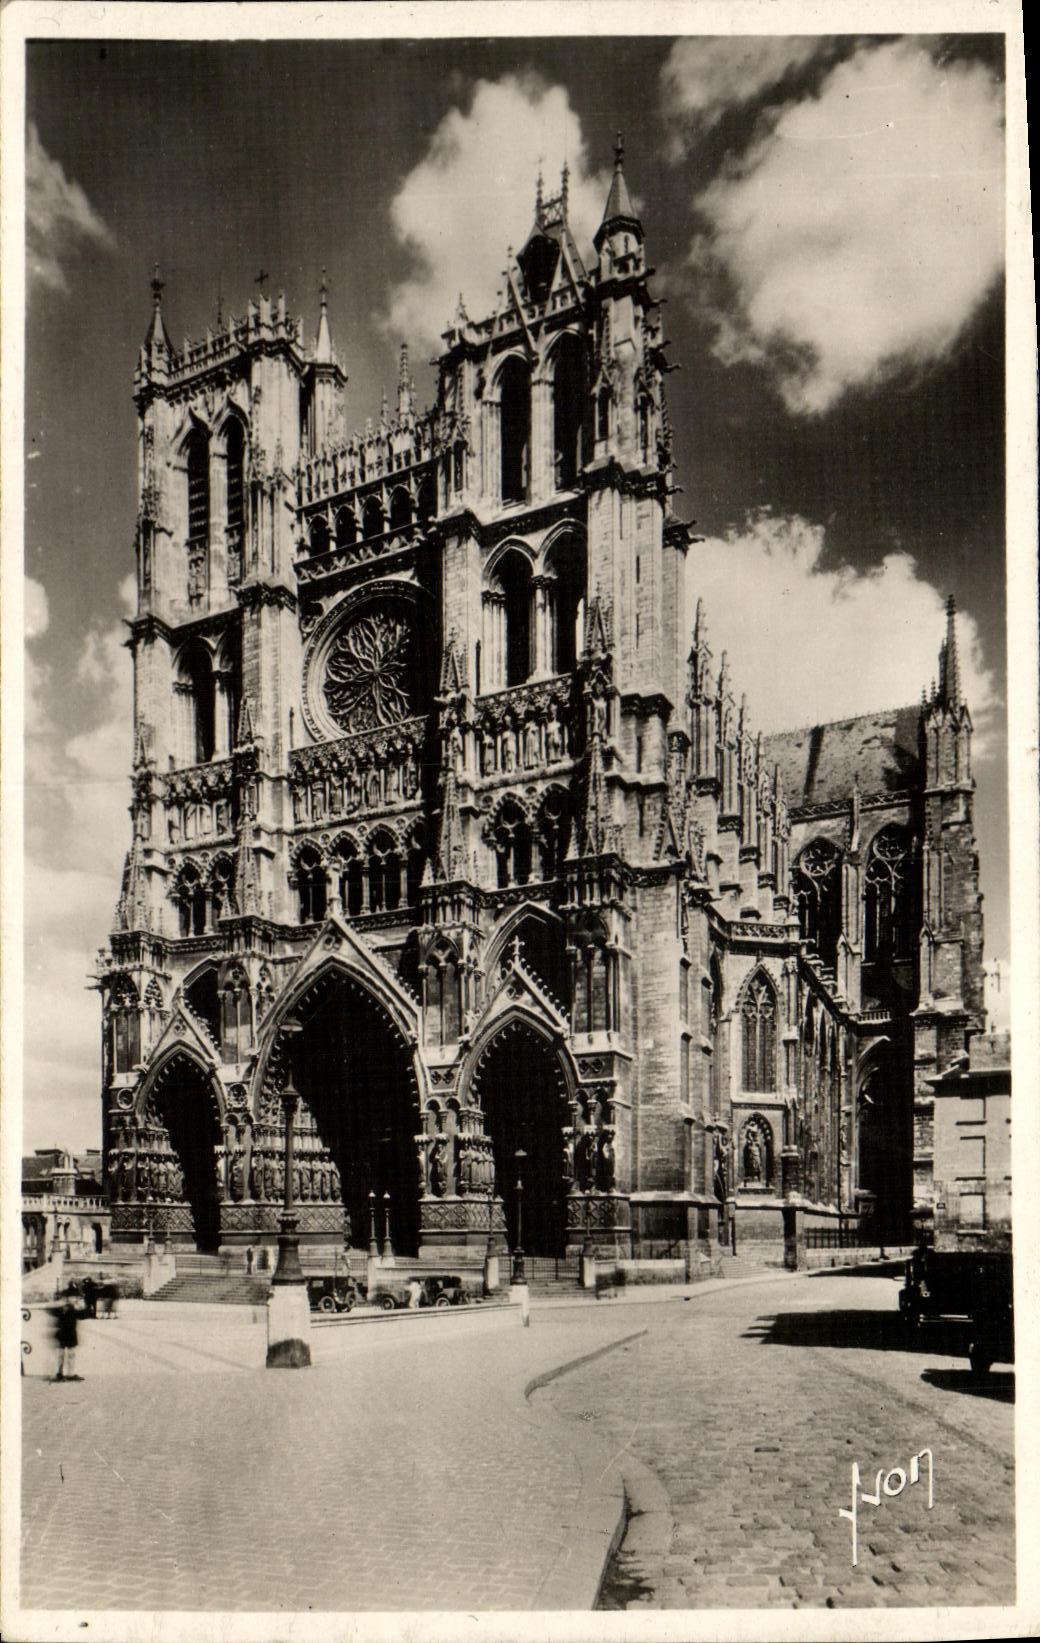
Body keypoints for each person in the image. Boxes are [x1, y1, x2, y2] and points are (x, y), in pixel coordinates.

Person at [53, 1294, 82, 1381]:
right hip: (63, 1332)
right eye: (73, 1297)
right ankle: (60, 1373)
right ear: (67, 1298)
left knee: (71, 1353)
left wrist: (78, 1306)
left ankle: (70, 1373)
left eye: (75, 1297)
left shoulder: (73, 1307)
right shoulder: (62, 1307)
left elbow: (83, 1315)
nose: (75, 1298)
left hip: (71, 1333)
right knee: (62, 1354)